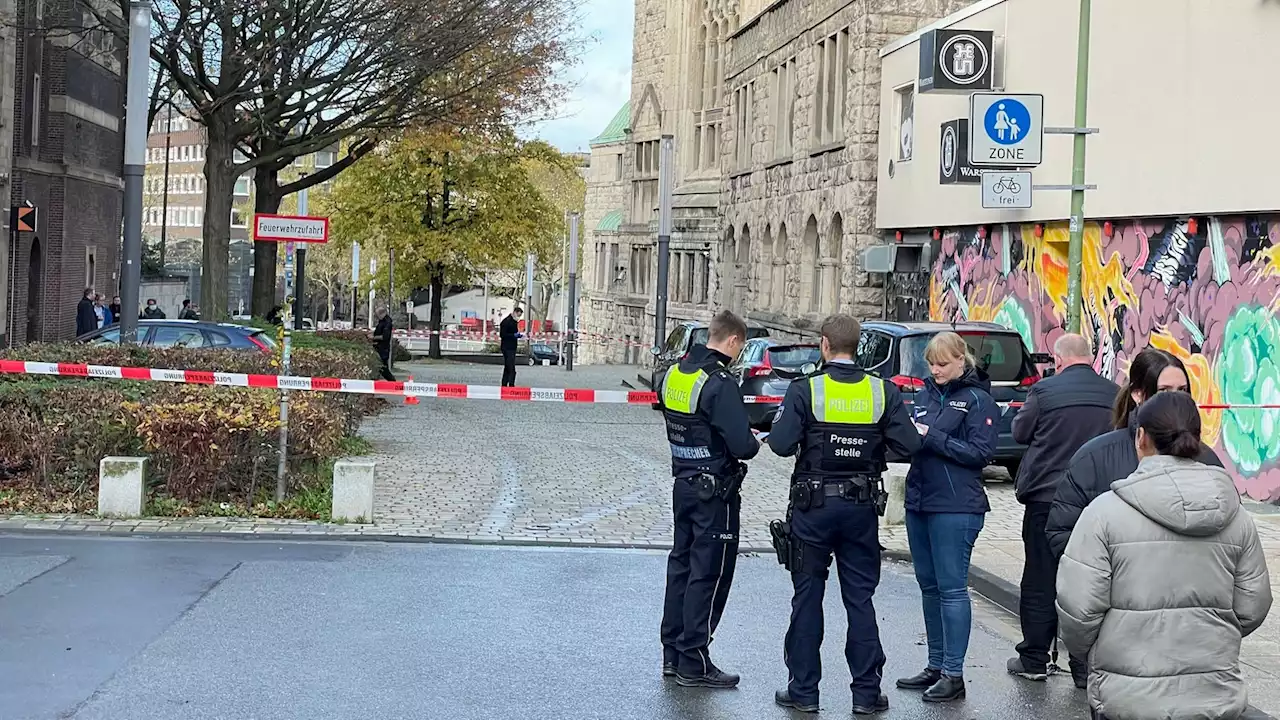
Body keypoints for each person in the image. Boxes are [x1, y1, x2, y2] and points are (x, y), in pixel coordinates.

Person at [1056, 390, 1272, 720]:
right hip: (1213, 696)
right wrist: (1209, 634)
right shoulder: (1235, 516)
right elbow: (1254, 604)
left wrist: (1102, 653)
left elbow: (1078, 610)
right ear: (1198, 440)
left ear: (1140, 437)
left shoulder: (1104, 514)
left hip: (1127, 698)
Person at [767, 315, 922, 715]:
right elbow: (908, 444)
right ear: (858, 347)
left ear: (824, 345)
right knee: (860, 600)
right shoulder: (882, 391)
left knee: (807, 599)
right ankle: (866, 696)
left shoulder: (806, 391)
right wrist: (869, 452)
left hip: (812, 508)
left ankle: (804, 692)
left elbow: (781, 444)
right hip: (860, 509)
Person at [1006, 334, 1118, 687]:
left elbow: (1020, 432)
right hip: (1098, 502)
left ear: (1058, 358)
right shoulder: (1114, 393)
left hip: (1047, 498)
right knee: (1092, 582)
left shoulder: (1044, 392)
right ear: (1091, 357)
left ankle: (1035, 658)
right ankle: (1084, 667)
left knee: (1040, 577)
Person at [896, 331, 1000, 703]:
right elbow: (914, 442)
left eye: (942, 363)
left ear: (961, 361)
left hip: (956, 506)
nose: (935, 369)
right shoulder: (924, 395)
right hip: (920, 501)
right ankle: (935, 665)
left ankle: (954, 674)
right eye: (931, 363)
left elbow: (981, 454)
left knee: (952, 588)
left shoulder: (978, 400)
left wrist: (930, 438)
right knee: (929, 586)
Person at [658, 310, 758, 689]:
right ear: (732, 341)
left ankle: (672, 653)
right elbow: (742, 445)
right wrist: (752, 441)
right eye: (741, 346)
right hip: (715, 492)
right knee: (709, 573)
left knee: (680, 565)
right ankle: (694, 658)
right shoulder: (719, 382)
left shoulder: (676, 374)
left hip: (682, 484)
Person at [1045, 347, 1223, 561]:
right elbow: (1062, 533)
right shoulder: (1094, 458)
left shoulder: (1209, 462)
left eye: (1182, 390)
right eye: (1164, 391)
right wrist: (1112, 573)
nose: (1175, 399)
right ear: (1138, 393)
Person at [499, 308, 524, 387]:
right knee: (511, 368)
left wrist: (517, 335)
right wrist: (513, 335)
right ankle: (511, 386)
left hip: (512, 347)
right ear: (514, 313)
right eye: (518, 315)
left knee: (507, 367)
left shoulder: (513, 322)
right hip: (507, 347)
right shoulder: (506, 322)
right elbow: (502, 335)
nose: (519, 317)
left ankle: (504, 384)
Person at [371, 305, 395, 382]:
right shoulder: (382, 322)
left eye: (377, 315)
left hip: (383, 348)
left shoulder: (387, 323)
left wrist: (373, 337)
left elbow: (385, 337)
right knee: (381, 367)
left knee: (383, 368)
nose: (377, 317)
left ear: (382, 314)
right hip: (379, 347)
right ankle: (391, 382)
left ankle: (393, 382)